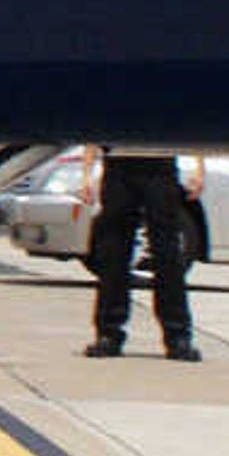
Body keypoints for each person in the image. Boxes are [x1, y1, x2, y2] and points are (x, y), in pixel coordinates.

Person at [80, 148, 201, 359]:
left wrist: (199, 167)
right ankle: (108, 333)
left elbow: (190, 121)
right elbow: (96, 123)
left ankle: (178, 336)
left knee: (167, 253)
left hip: (160, 162)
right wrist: (86, 174)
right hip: (119, 162)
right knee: (113, 253)